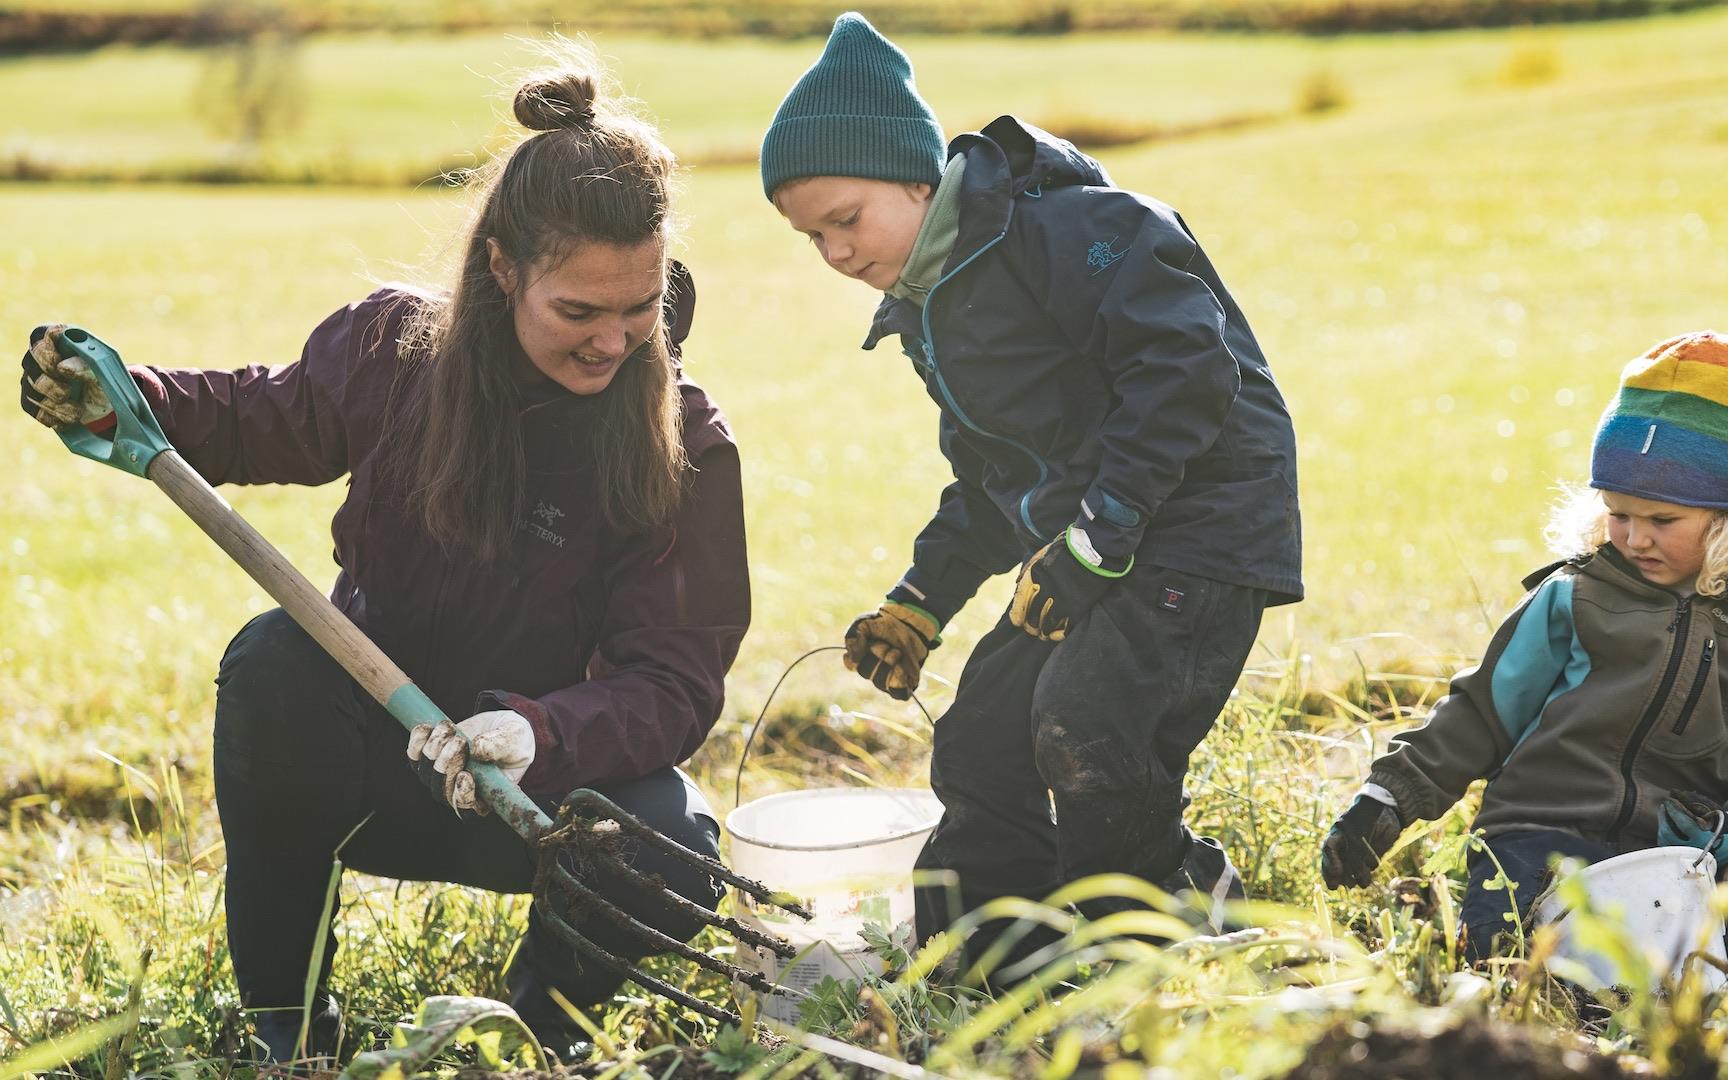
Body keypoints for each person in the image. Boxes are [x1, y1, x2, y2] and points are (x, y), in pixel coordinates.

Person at [20, 66, 748, 1062]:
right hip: (367, 761)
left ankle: (527, 1043)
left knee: (674, 848)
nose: (614, 340)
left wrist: (538, 731)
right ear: (501, 268)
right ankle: (291, 1028)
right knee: (273, 664)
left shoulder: (686, 445)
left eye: (638, 310)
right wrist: (128, 401)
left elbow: (674, 683)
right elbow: (261, 417)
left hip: (534, 796)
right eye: (578, 311)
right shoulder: (392, 350)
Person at [758, 14, 1304, 975]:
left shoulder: (1076, 230)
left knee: (1085, 720)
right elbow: (990, 478)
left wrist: (1101, 532)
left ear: (918, 179)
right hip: (1096, 549)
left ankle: (1155, 942)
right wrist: (921, 602)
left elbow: (1187, 371)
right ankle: (989, 959)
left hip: (1199, 528)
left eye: (846, 219)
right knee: (983, 737)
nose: (835, 253)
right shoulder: (933, 311)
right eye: (812, 237)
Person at [1320, 331, 1728, 965]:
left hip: (1686, 860)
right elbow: (1483, 711)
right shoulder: (1573, 599)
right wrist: (1391, 797)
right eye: (1619, 513)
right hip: (1539, 835)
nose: (1634, 538)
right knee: (1521, 966)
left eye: (1661, 520)